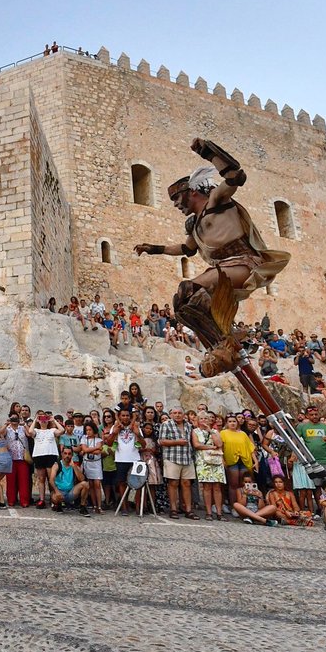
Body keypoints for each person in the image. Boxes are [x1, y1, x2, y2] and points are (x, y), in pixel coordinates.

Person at [134, 140, 289, 377]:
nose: (176, 205)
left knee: (190, 288)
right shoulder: (196, 224)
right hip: (225, 267)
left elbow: (235, 176)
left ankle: (226, 339)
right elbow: (186, 249)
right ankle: (219, 341)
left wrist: (207, 152)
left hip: (243, 262)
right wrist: (153, 249)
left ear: (192, 192)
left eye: (177, 199)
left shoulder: (217, 201)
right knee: (181, 304)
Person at [158, 407, 197, 519]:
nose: (177, 415)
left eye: (180, 413)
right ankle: (173, 509)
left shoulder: (188, 425)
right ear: (171, 414)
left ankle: (188, 510)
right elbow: (161, 441)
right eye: (175, 413)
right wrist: (177, 442)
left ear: (183, 414)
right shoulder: (166, 424)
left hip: (187, 458)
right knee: (173, 483)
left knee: (187, 484)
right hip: (172, 457)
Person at [191, 416, 226, 520]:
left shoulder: (215, 431)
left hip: (215, 461)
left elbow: (219, 444)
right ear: (198, 421)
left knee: (217, 486)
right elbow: (197, 445)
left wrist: (210, 431)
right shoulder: (195, 431)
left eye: (206, 418)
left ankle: (219, 513)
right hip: (203, 461)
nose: (204, 420)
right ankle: (209, 512)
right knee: (206, 486)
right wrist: (211, 447)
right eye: (201, 418)